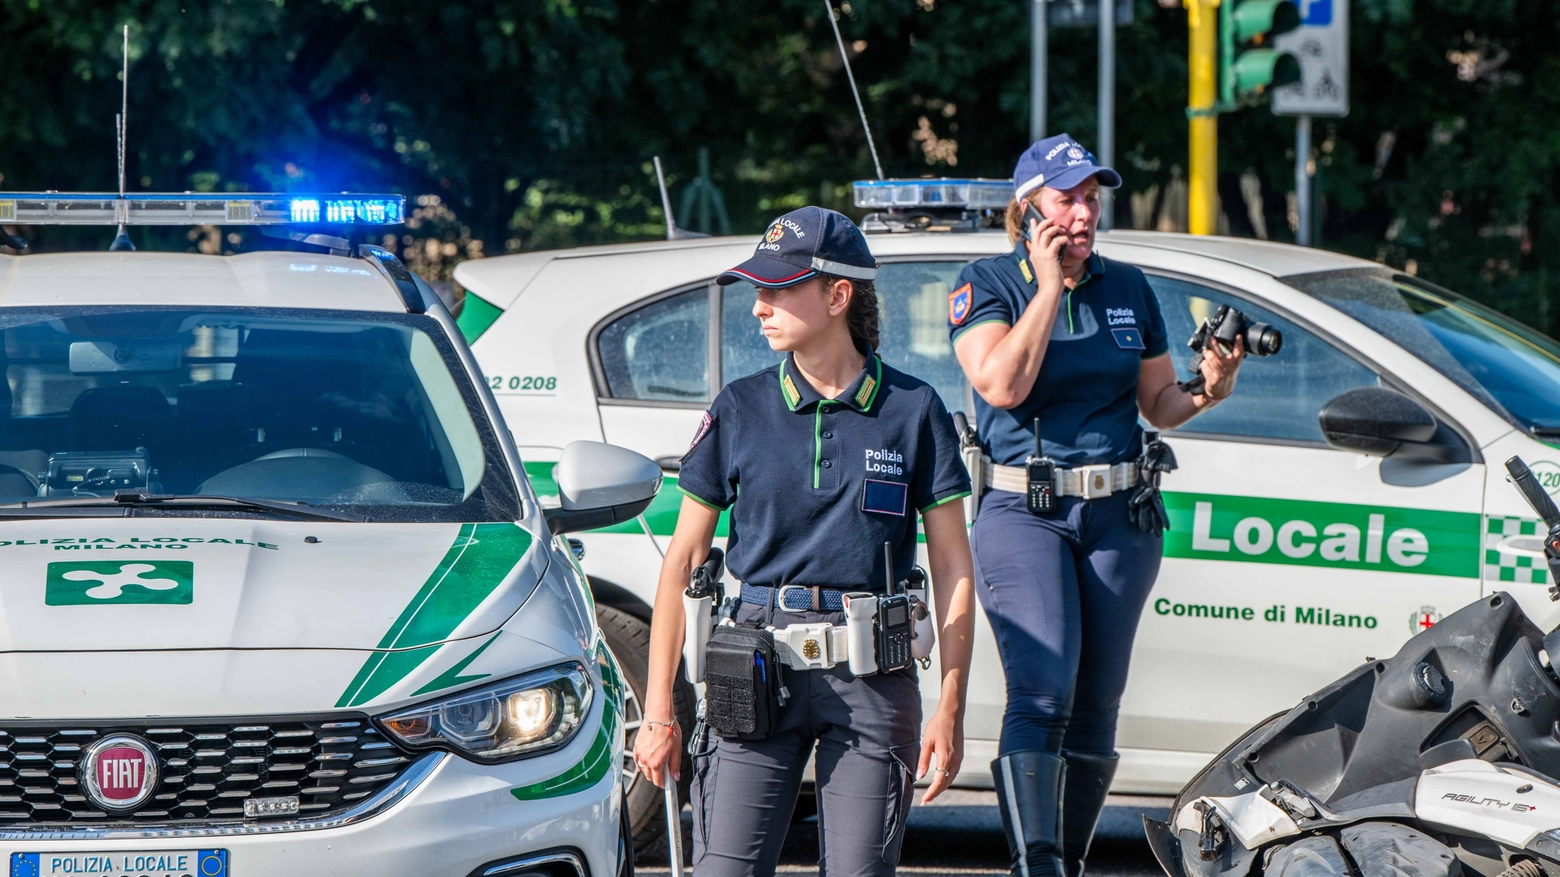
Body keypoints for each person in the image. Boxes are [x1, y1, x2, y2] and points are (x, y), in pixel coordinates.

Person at [633, 206, 978, 877]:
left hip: (874, 678)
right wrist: (657, 713)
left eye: (777, 288)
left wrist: (952, 707)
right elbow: (682, 563)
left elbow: (954, 568)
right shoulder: (737, 407)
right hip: (753, 670)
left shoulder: (915, 410)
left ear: (837, 294)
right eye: (757, 289)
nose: (759, 306)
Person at [948, 135, 1245, 877]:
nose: (1082, 214)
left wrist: (1214, 383)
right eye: (1066, 198)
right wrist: (1047, 287)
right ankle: (1035, 861)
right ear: (1029, 210)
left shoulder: (1128, 287)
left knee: (1097, 700)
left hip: (1119, 516)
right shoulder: (988, 282)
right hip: (1024, 512)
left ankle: (1069, 859)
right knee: (1044, 688)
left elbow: (1159, 402)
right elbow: (1002, 386)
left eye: (1091, 198)